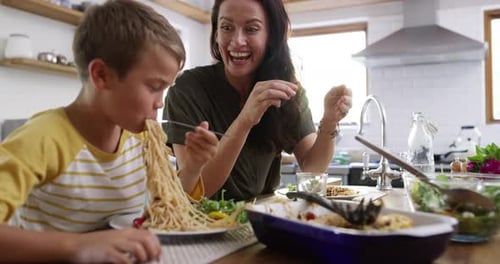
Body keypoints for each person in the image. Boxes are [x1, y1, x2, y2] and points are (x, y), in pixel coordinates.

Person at [0, 0, 218, 263]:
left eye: (166, 89)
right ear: (101, 75)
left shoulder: (140, 138)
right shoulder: (43, 138)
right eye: (154, 86)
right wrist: (78, 246)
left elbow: (169, 209)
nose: (160, 102)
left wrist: (193, 166)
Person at [164, 0, 352, 201]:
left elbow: (312, 167)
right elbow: (196, 190)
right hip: (203, 220)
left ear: (270, 36)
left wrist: (330, 120)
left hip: (263, 215)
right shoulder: (188, 89)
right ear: (216, 33)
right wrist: (245, 120)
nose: (237, 40)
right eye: (227, 27)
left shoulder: (286, 91)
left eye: (251, 29)